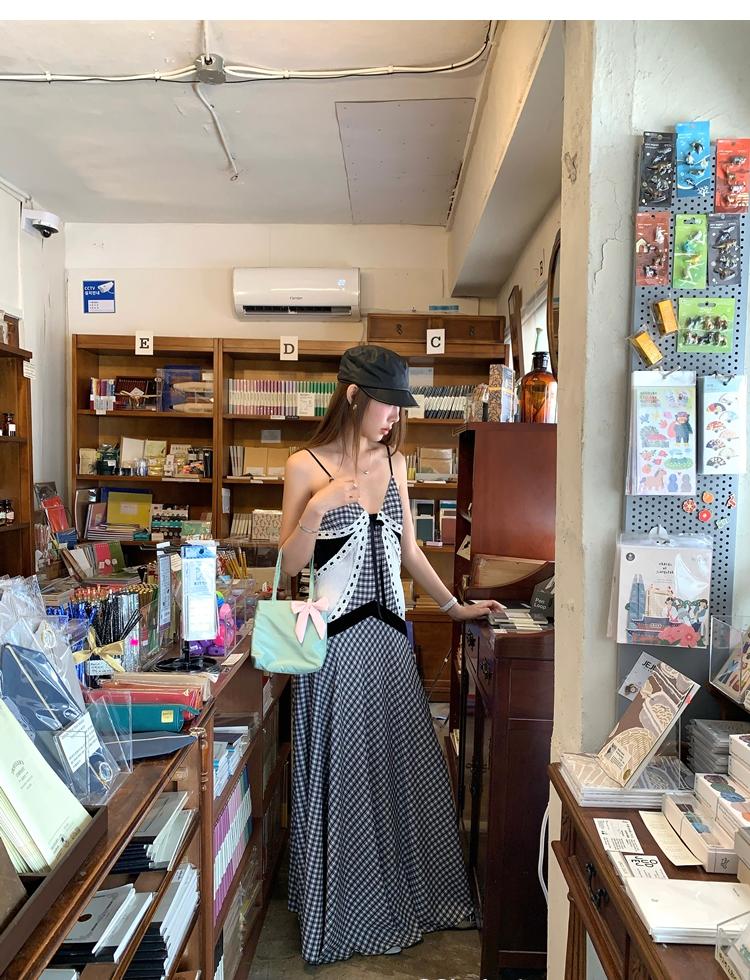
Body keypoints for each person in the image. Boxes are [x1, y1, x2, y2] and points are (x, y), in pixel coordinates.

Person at [279, 344, 503, 965]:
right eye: (388, 404)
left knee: (402, 769)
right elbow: (288, 565)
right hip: (332, 648)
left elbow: (409, 550)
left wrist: (454, 608)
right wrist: (318, 509)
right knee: (348, 778)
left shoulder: (395, 462)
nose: (395, 418)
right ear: (354, 396)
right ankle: (350, 909)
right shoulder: (304, 466)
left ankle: (404, 894)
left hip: (388, 641)